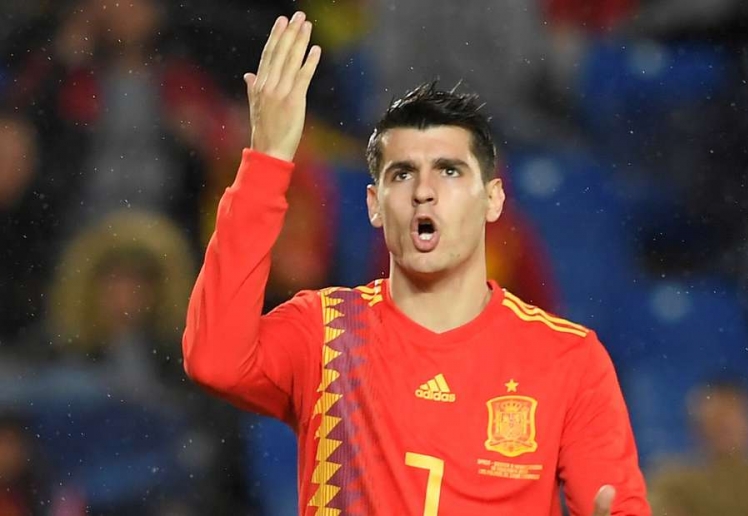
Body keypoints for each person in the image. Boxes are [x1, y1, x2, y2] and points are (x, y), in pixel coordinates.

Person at [183, 11, 650, 515]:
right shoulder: (325, 331)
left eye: (449, 171)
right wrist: (267, 162)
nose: (424, 191)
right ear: (374, 205)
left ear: (493, 199)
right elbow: (214, 361)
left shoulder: (568, 359)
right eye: (402, 174)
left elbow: (618, 506)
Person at [647, 380, 748, 515]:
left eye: (732, 419)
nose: (724, 428)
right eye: (716, 421)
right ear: (695, 428)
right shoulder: (670, 484)